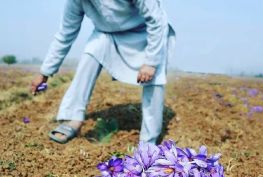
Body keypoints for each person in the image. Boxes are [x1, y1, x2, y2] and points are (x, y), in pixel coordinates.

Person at [31, 0, 175, 144]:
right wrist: (44, 72)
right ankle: (74, 118)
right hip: (107, 34)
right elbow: (65, 33)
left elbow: (157, 22)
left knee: (155, 78)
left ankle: (149, 140)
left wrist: (151, 62)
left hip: (147, 33)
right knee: (91, 50)